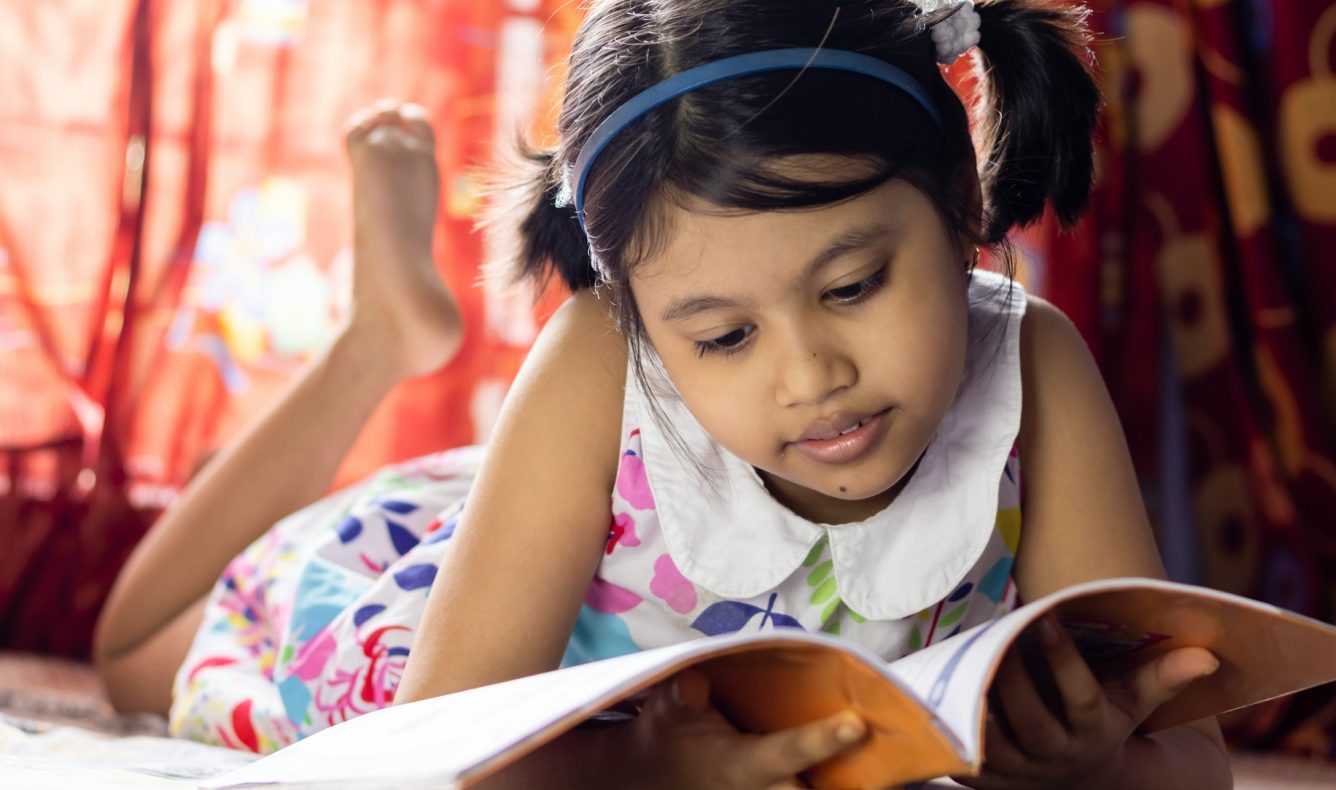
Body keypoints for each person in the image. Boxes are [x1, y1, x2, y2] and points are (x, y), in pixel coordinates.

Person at [93, 0, 1233, 787]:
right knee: (139, 652)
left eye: (852, 286)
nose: (810, 376)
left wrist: (1095, 766)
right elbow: (433, 742)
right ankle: (378, 342)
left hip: (557, 508)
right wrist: (624, 768)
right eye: (725, 336)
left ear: (959, 203)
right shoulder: (596, 358)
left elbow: (1191, 759)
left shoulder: (1035, 364)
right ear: (638, 315)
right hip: (495, 611)